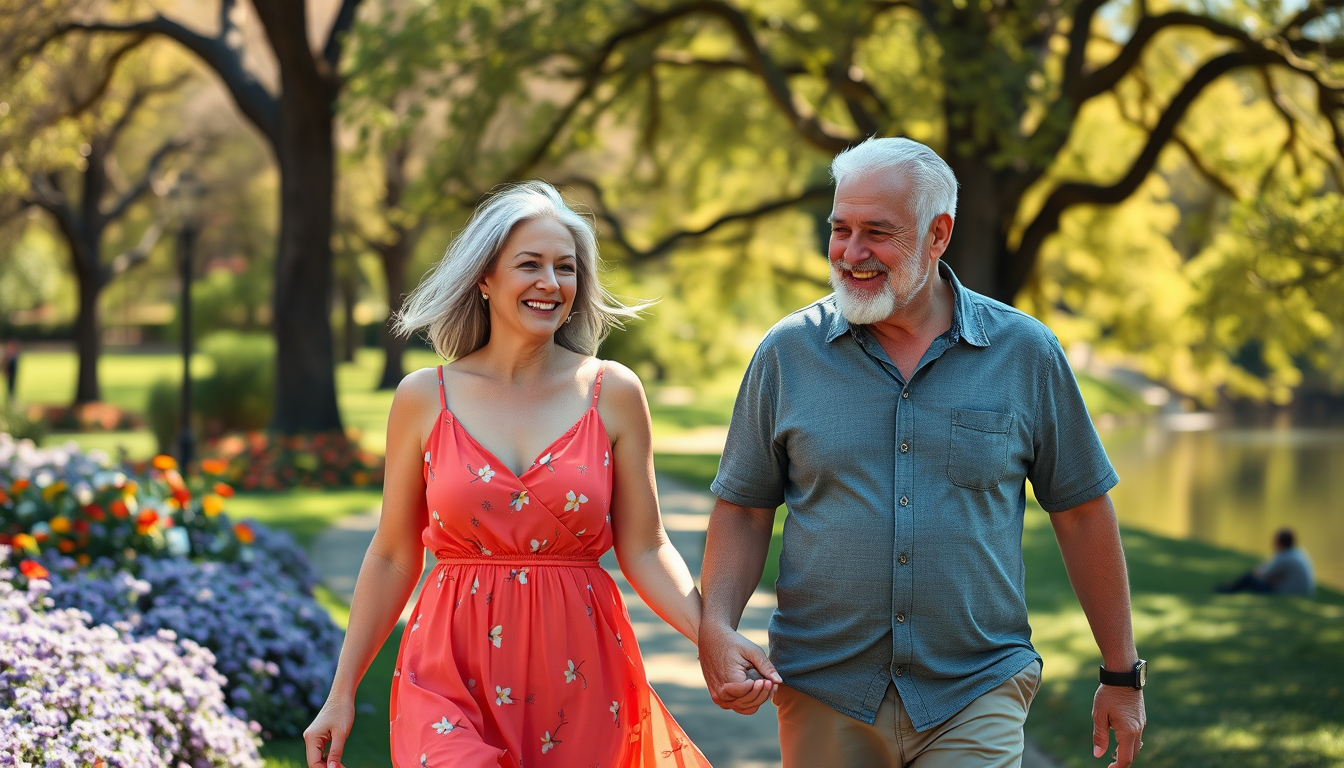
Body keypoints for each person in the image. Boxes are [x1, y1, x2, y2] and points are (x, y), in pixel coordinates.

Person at [698, 137, 1147, 768]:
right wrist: (716, 625)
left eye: (877, 233)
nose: (851, 254)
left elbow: (1081, 512)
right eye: (840, 229)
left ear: (938, 235)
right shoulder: (787, 354)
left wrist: (1121, 675)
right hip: (825, 689)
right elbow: (744, 508)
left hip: (976, 686)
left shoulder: (1025, 353)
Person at [303, 181, 711, 768]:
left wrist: (713, 641)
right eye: (530, 265)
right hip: (448, 670)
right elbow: (393, 554)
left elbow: (646, 547)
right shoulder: (423, 397)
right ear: (485, 279)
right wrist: (341, 695)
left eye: (565, 268)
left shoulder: (613, 393)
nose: (551, 282)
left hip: (582, 671)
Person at [1217, 528, 1315, 596]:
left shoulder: (1284, 557)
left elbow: (1263, 574)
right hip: (1304, 591)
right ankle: (1231, 587)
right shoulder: (1299, 552)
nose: (1273, 543)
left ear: (1281, 543)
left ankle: (1229, 590)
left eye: (1275, 541)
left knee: (1249, 578)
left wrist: (1258, 573)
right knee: (1255, 577)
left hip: (1289, 592)